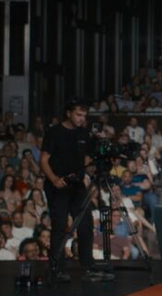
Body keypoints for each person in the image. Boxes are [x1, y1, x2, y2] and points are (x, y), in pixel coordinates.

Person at [41, 99, 113, 283]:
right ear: (69, 113)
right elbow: (43, 159)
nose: (82, 119)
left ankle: (87, 266)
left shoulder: (84, 133)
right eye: (79, 115)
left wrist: (99, 142)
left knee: (85, 223)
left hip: (77, 183)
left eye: (84, 116)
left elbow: (88, 157)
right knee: (59, 226)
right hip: (58, 183)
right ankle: (58, 267)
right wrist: (54, 179)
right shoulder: (54, 132)